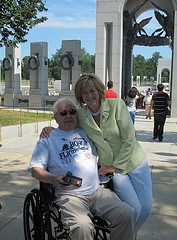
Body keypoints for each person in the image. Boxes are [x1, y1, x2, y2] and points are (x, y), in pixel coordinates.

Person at [41, 73, 152, 235]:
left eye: (92, 91)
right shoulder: (82, 114)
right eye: (84, 93)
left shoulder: (117, 105)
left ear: (99, 90)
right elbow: (65, 120)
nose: (89, 96)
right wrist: (50, 129)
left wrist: (114, 166)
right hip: (112, 170)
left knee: (147, 209)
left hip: (133, 161)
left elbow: (129, 139)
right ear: (80, 96)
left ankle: (127, 235)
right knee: (134, 209)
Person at [29, 98, 135, 240]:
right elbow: (35, 169)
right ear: (56, 118)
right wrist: (53, 179)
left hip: (98, 192)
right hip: (69, 197)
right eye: (63, 113)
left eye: (72, 111)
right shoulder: (48, 138)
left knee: (126, 214)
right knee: (82, 226)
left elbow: (110, 134)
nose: (68, 116)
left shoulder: (86, 132)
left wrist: (129, 132)